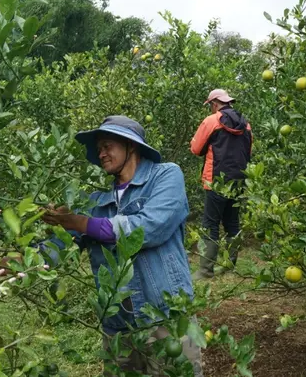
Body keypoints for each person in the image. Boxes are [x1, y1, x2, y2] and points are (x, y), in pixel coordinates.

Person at [39, 115, 203, 376]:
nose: (102, 153)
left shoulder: (166, 176)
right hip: (120, 329)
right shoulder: (95, 202)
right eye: (99, 148)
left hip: (165, 319)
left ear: (131, 145)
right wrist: (14, 264)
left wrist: (81, 222)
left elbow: (150, 227)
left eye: (108, 145)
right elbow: (56, 248)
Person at [189, 89, 252, 280]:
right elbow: (247, 152)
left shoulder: (212, 121)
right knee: (232, 223)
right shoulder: (246, 125)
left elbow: (196, 148)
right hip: (238, 181)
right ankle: (230, 266)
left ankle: (205, 270)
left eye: (210, 105)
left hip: (215, 181)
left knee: (210, 224)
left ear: (215, 103)